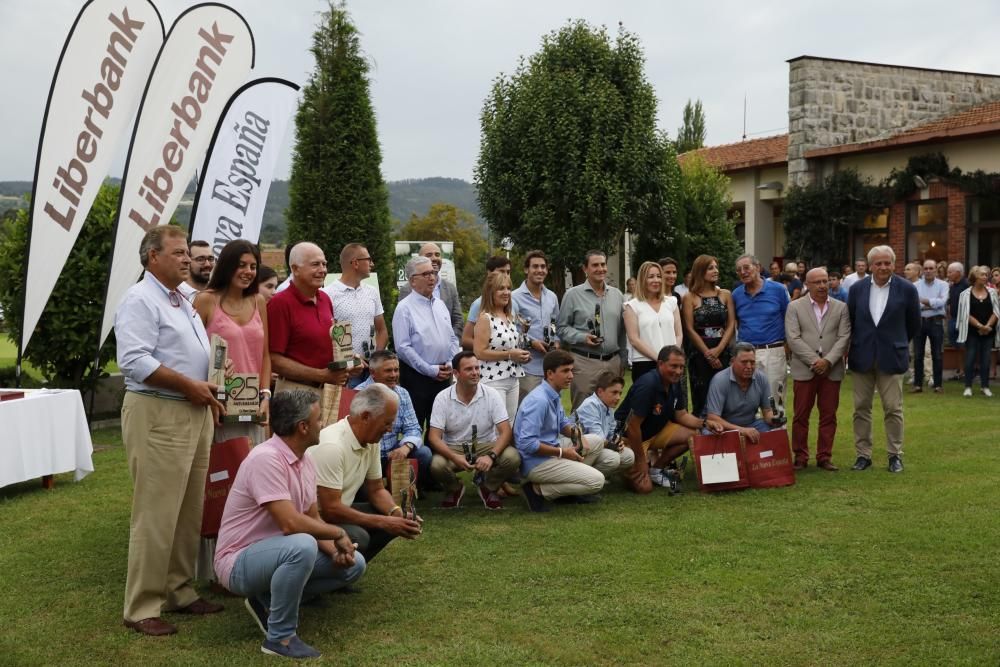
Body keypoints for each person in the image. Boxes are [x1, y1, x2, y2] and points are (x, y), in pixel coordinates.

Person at [115, 225, 225, 636]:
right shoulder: (140, 299)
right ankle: (142, 606)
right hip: (159, 411)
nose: (186, 259)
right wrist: (191, 384)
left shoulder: (181, 300)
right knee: (157, 512)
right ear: (152, 257)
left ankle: (179, 589)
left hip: (193, 411)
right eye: (178, 252)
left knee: (188, 510)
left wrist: (211, 382)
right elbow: (135, 361)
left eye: (187, 253)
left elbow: (190, 355)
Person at [215, 390, 365, 660]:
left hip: (276, 554)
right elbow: (290, 523)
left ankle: (270, 600)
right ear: (303, 426)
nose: (324, 424)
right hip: (237, 562)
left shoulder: (305, 460)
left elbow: (313, 518)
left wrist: (336, 552)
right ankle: (279, 638)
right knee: (302, 545)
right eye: (319, 419)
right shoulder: (266, 458)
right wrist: (338, 532)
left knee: (354, 565)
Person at [193, 239, 272, 582]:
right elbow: (192, 353)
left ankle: (248, 557)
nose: (248, 271)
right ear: (227, 265)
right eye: (241, 264)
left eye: (253, 265)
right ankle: (212, 566)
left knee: (253, 484)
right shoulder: (206, 302)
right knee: (220, 484)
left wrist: (267, 393)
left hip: (254, 410)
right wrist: (209, 396)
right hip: (219, 411)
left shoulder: (259, 301)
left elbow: (266, 354)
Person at [309, 384, 423, 562]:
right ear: (365, 417)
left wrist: (396, 514)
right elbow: (330, 510)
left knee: (393, 521)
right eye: (387, 422)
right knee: (361, 536)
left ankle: (348, 569)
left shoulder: (371, 440)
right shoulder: (332, 446)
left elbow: (376, 489)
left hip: (338, 509)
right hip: (316, 518)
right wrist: (384, 521)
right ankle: (336, 570)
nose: (390, 429)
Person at [514, 350, 620, 511]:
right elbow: (527, 444)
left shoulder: (552, 393)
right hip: (535, 462)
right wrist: (563, 453)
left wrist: (578, 436)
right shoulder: (539, 400)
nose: (571, 375)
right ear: (550, 373)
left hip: (551, 452)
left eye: (571, 370)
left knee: (595, 441)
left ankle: (567, 487)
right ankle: (536, 490)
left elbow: (563, 423)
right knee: (596, 481)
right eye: (565, 371)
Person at [847, 245, 921, 473]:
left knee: (893, 408)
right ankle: (863, 455)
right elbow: (851, 320)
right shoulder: (857, 289)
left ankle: (894, 455)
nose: (883, 267)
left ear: (894, 264)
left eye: (887, 262)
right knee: (861, 408)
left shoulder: (907, 289)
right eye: (878, 263)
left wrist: (896, 342)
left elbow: (914, 324)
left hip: (892, 356)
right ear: (870, 266)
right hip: (862, 355)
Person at [616, 345, 724, 493]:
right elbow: (632, 427)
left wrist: (704, 423)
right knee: (644, 489)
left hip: (653, 433)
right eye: (673, 366)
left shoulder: (674, 382)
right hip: (629, 438)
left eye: (681, 367)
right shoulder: (647, 385)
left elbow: (681, 415)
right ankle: (625, 469)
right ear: (660, 364)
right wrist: (641, 460)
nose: (678, 371)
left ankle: (656, 470)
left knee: (693, 434)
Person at [428, 351, 521, 510]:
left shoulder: (491, 394)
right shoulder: (442, 397)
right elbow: (433, 437)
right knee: (436, 464)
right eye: (469, 369)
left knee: (512, 457)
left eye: (477, 368)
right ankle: (455, 489)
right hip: (455, 446)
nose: (475, 372)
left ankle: (488, 486)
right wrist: (455, 457)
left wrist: (491, 457)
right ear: (456, 373)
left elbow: (506, 431)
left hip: (485, 444)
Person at [785, 268, 851, 471]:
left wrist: (828, 361)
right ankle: (800, 456)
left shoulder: (841, 307)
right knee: (801, 415)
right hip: (805, 369)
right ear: (807, 284)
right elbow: (793, 338)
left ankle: (824, 456)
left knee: (829, 415)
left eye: (825, 281)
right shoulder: (795, 307)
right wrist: (815, 361)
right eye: (817, 282)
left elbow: (844, 337)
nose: (823, 285)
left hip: (831, 370)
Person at [267, 242, 348, 398]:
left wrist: (348, 362)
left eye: (324, 264)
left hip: (328, 392)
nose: (323, 270)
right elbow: (273, 359)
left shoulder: (325, 299)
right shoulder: (280, 303)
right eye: (315, 265)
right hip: (295, 394)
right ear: (295, 269)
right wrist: (321, 375)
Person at [392, 256, 461, 433]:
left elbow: (452, 338)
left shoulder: (440, 305)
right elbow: (403, 348)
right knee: (415, 428)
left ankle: (437, 461)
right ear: (413, 281)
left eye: (433, 273)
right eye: (426, 274)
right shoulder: (404, 308)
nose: (432, 277)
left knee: (440, 428)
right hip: (417, 379)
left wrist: (450, 363)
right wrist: (430, 370)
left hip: (443, 376)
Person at [557, 250, 626, 411]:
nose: (600, 269)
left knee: (609, 410)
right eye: (595, 265)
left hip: (612, 362)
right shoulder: (572, 295)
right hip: (584, 362)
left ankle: (606, 437)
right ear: (585, 269)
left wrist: (623, 358)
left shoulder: (617, 295)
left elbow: (622, 331)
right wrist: (581, 337)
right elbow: (561, 328)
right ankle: (580, 437)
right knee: (582, 411)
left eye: (603, 264)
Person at [355, 351, 432, 482]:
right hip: (366, 456)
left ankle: (406, 488)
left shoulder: (402, 393)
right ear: (373, 373)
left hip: (393, 454)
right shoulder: (357, 394)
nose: (394, 375)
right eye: (388, 371)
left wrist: (405, 448)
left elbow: (413, 428)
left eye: (396, 370)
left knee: (423, 453)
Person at [732, 253, 790, 421]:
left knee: (774, 400)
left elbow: (789, 319)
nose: (743, 272)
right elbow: (734, 323)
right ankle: (754, 444)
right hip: (746, 354)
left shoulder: (778, 290)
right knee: (747, 401)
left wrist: (787, 348)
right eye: (739, 270)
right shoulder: (736, 295)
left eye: (746, 268)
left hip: (773, 351)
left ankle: (776, 442)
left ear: (758, 268)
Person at [321, 243, 388, 387]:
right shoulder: (328, 294)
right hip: (347, 372)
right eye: (368, 259)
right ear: (356, 263)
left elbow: (382, 330)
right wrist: (350, 359)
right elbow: (326, 336)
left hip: (372, 372)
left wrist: (376, 360)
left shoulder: (372, 292)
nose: (372, 263)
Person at [682, 254, 735, 418]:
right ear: (700, 271)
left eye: (716, 267)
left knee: (725, 394)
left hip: (723, 349)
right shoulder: (689, 297)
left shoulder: (725, 294)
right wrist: (708, 354)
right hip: (699, 354)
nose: (716, 271)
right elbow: (689, 329)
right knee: (702, 396)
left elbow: (731, 324)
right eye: (711, 268)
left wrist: (719, 349)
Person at [473, 271, 530, 420]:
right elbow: (479, 352)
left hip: (513, 378)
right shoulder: (485, 318)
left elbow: (510, 348)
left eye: (508, 288)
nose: (506, 292)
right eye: (501, 288)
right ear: (490, 292)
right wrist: (510, 354)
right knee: (496, 426)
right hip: (493, 380)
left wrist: (520, 356)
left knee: (510, 424)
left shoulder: (509, 317)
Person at [705, 342, 779, 443]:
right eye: (744, 362)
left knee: (773, 431)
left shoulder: (762, 378)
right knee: (709, 433)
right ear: (732, 362)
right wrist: (742, 431)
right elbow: (713, 418)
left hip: (751, 425)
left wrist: (774, 419)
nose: (749, 366)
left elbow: (767, 410)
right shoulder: (719, 380)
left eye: (752, 362)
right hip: (724, 428)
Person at [512, 250, 561, 401]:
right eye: (535, 267)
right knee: (528, 413)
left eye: (543, 267)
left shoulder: (552, 297)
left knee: (551, 413)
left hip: (551, 368)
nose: (540, 270)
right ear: (526, 270)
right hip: (528, 367)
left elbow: (556, 325)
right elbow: (512, 331)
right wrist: (532, 342)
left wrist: (557, 342)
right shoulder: (514, 297)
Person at [624, 261, 683, 382]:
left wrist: (673, 358)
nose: (656, 280)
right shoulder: (632, 306)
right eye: (651, 277)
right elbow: (634, 339)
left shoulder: (671, 302)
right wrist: (660, 359)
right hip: (644, 363)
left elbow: (678, 334)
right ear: (642, 280)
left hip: (671, 364)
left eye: (658, 276)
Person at [572, 371, 636, 478]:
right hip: (580, 450)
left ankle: (597, 478)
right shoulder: (590, 405)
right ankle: (583, 479)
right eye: (614, 392)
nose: (618, 397)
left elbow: (611, 434)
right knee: (613, 458)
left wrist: (617, 442)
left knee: (629, 456)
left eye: (620, 393)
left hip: (595, 449)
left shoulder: (608, 406)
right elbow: (598, 438)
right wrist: (612, 445)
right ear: (600, 392)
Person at [398, 242, 464, 337]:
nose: (434, 258)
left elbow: (458, 320)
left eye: (437, 255)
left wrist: (451, 343)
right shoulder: (407, 289)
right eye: (429, 255)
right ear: (419, 260)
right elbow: (404, 325)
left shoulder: (450, 288)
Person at [956, 266, 1000, 397]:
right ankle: (968, 387)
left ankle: (985, 386)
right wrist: (980, 326)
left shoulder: (992, 292)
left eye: (987, 275)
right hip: (972, 332)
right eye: (982, 274)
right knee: (970, 358)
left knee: (986, 360)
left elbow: (997, 312)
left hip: (989, 331)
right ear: (975, 277)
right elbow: (965, 314)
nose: (985, 277)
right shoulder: (965, 294)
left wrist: (987, 326)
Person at [461, 255, 519, 349]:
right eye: (501, 271)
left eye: (508, 272)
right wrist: (493, 349)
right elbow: (466, 339)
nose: (505, 275)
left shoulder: (513, 304)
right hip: (489, 361)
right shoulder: (479, 304)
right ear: (489, 273)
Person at [912, 258, 949, 393]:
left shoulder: (943, 285)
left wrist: (924, 302)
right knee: (918, 354)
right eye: (926, 268)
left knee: (937, 355)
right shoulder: (915, 286)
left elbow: (942, 302)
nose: (928, 271)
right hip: (920, 322)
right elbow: (915, 305)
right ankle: (918, 385)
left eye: (931, 268)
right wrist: (932, 304)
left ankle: (938, 385)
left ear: (936, 270)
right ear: (922, 270)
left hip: (936, 322)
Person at [946, 261, 969, 376]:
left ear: (958, 273)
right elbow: (950, 301)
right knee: (957, 346)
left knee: (964, 346)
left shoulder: (967, 285)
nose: (948, 274)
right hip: (953, 319)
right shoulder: (952, 286)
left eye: (950, 272)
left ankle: (968, 370)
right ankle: (961, 371)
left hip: (964, 320)